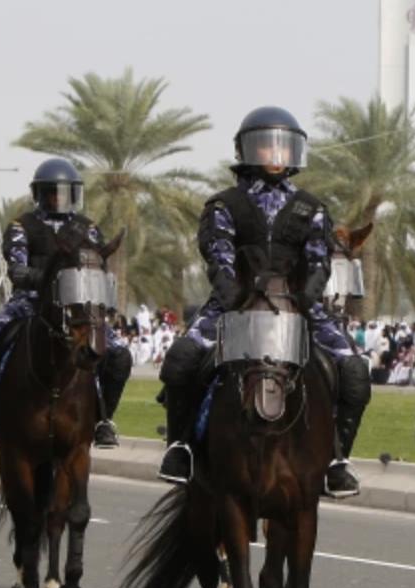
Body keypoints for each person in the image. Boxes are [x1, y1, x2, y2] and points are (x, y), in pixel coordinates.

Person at [155, 106, 372, 498]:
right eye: (266, 146)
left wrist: (308, 294)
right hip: (233, 303)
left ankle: (337, 461)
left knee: (355, 371)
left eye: (282, 147)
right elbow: (217, 254)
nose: (275, 155)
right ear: (246, 151)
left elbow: (320, 260)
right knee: (181, 360)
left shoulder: (312, 208)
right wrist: (232, 294)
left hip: (299, 305)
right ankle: (180, 447)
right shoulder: (223, 205)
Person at [0, 158, 131, 449]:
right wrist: (52, 279)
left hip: (78, 308)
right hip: (29, 303)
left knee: (119, 355)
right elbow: (17, 271)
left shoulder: (88, 229)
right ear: (40, 194)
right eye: (53, 192)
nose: (59, 198)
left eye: (65, 192)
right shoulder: (21, 226)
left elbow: (97, 270)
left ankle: (103, 419)